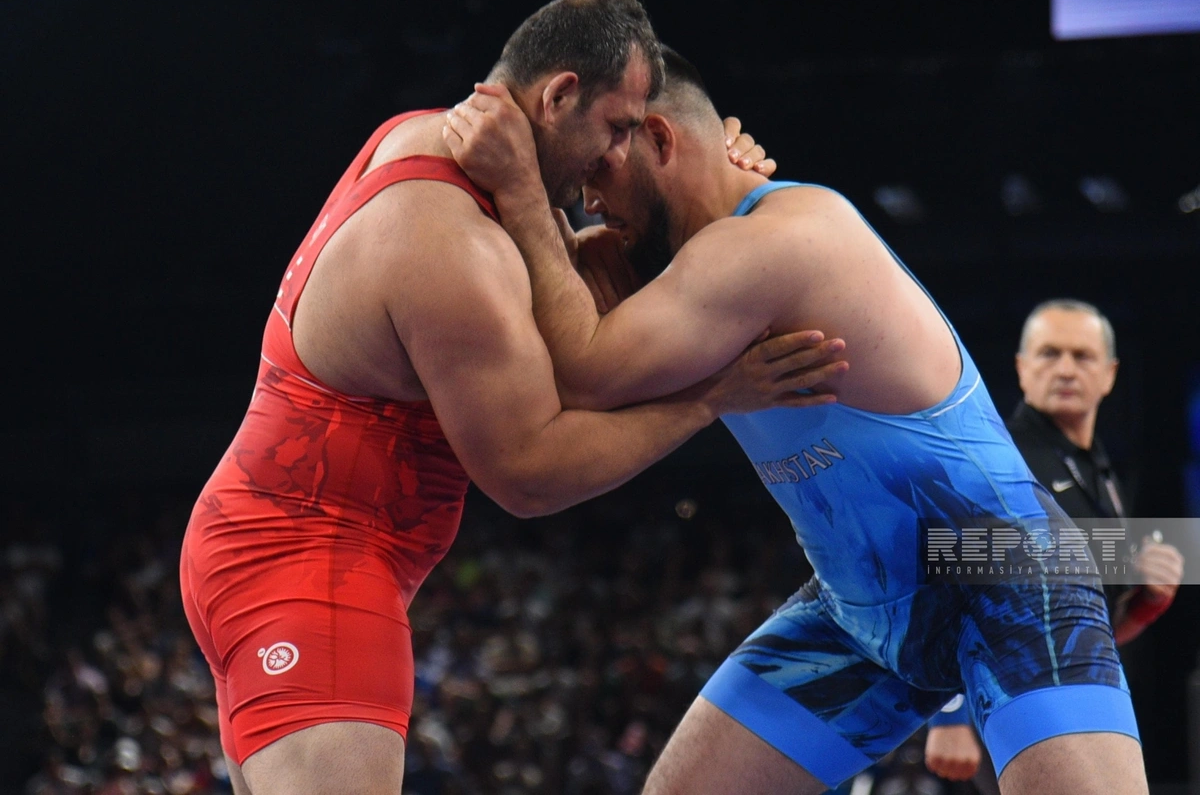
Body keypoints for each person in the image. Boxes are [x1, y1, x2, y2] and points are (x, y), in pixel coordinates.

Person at [179, 0, 847, 795]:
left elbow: (568, 296)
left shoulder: (427, 138)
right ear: (559, 95)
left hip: (276, 545)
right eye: (617, 127)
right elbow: (530, 475)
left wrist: (705, 180)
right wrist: (712, 398)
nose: (619, 156)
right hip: (307, 562)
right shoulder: (450, 244)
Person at [445, 48, 1150, 794]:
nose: (591, 200)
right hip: (859, 612)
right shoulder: (682, 262)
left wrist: (523, 191)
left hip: (1005, 580)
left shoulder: (774, 242)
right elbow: (560, 304)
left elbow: (585, 374)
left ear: (659, 139)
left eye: (600, 170)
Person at [923, 299, 1185, 792]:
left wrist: (1143, 606)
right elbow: (943, 577)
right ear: (1022, 368)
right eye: (1049, 353)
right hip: (1008, 701)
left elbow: (1079, 621)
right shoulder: (998, 456)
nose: (1065, 369)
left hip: (1079, 697)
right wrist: (948, 716)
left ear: (1109, 375)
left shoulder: (1099, 471)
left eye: (1082, 356)